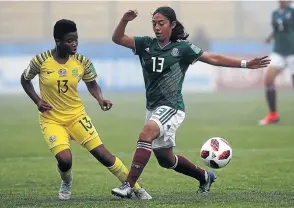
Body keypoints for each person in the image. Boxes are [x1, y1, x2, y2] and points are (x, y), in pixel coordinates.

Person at [110, 7, 270, 199]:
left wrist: (245, 64)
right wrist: (125, 20)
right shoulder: (146, 44)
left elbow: (212, 57)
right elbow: (117, 38)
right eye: (154, 24)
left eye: (161, 23)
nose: (157, 28)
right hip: (153, 108)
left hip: (171, 107)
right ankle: (204, 176)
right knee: (166, 160)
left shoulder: (182, 48)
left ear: (173, 24)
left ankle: (128, 185)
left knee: (146, 134)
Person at [20, 19, 151, 200]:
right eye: (69, 40)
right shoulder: (41, 61)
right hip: (51, 119)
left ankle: (136, 188)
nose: (74, 44)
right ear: (57, 41)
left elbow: (92, 84)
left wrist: (100, 98)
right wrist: (37, 100)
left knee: (104, 155)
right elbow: (25, 80)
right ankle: (66, 181)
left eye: (76, 40)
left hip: (76, 117)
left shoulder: (82, 61)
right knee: (65, 160)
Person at [260, 0, 294, 126]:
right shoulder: (275, 13)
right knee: (269, 80)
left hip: (292, 52)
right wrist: (269, 38)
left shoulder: (292, 11)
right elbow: (277, 29)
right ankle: (273, 114)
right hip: (278, 51)